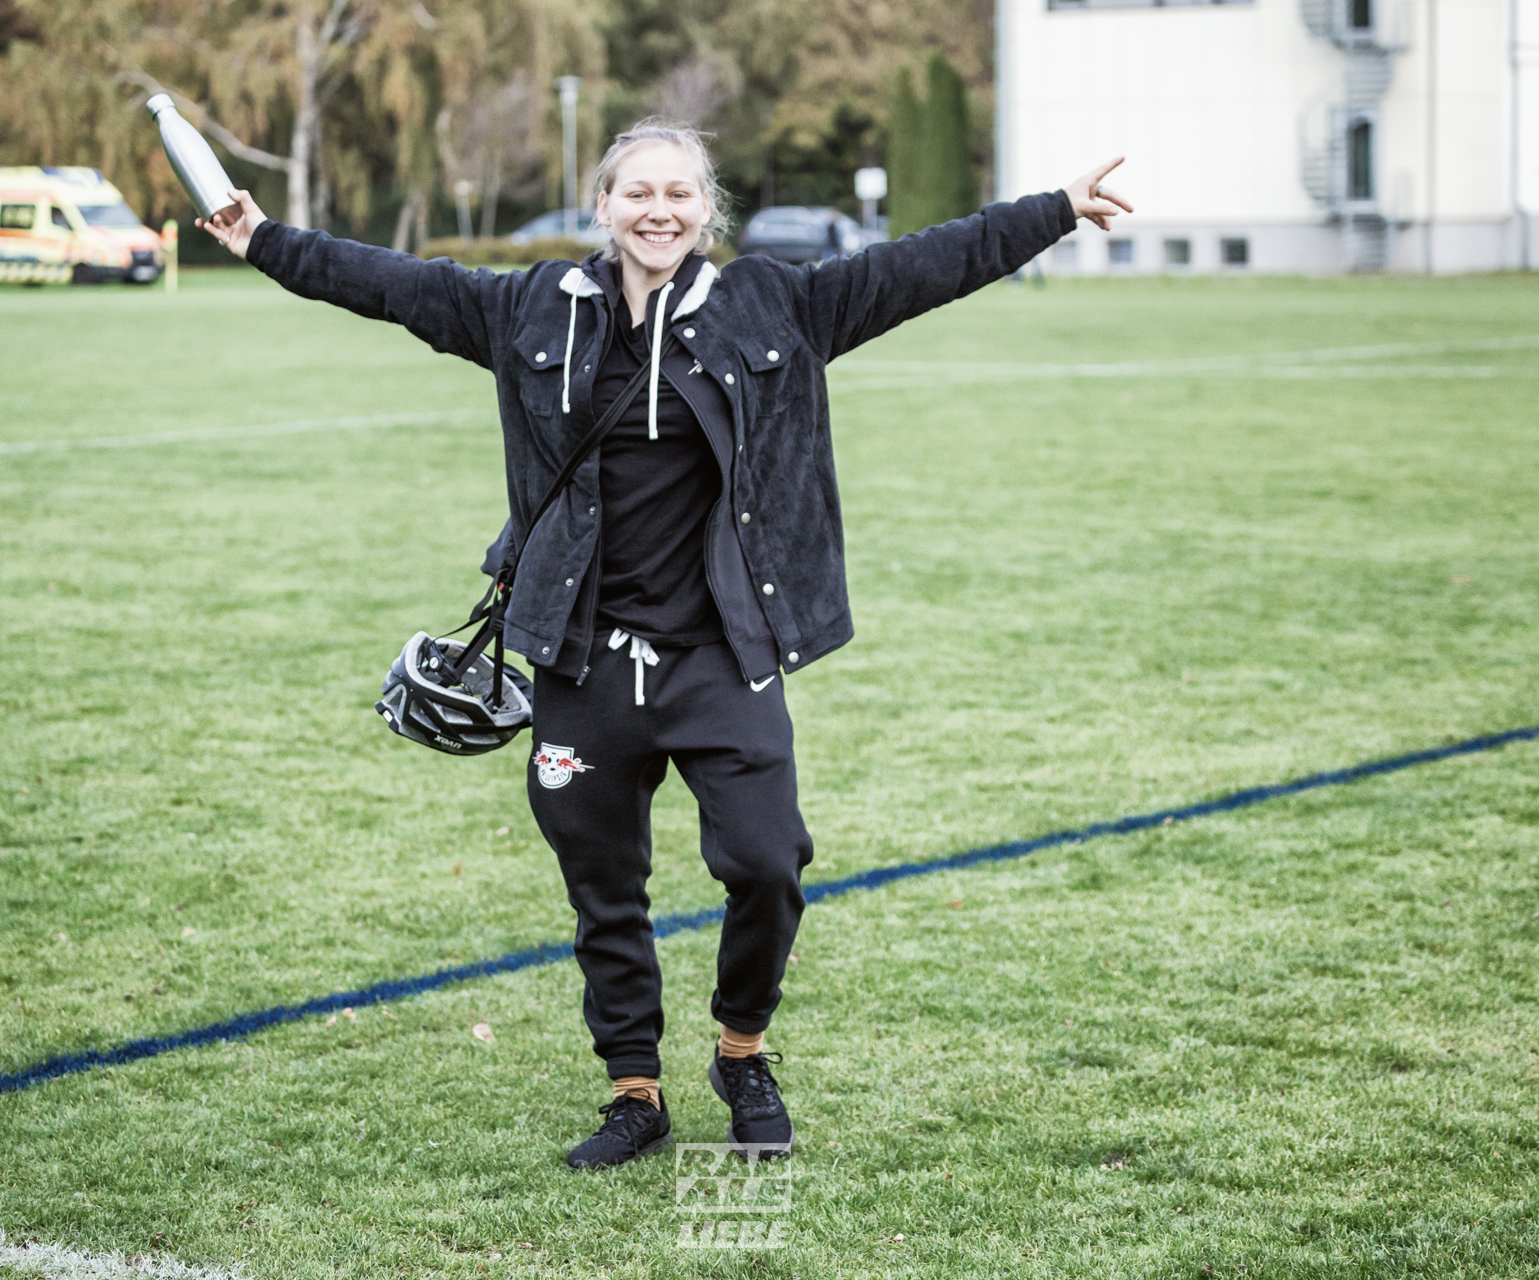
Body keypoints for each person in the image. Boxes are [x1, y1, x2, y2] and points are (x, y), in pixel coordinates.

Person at [199, 119, 1131, 1170]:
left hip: (721, 651)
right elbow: (394, 283)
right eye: (637, 192)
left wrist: (1052, 209)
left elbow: (917, 267)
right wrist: (263, 237)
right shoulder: (529, 308)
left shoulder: (774, 302)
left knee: (769, 863)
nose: (658, 210)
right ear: (603, 206)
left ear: (706, 211)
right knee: (604, 882)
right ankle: (633, 1090)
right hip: (583, 652)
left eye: (679, 194)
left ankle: (742, 1051)